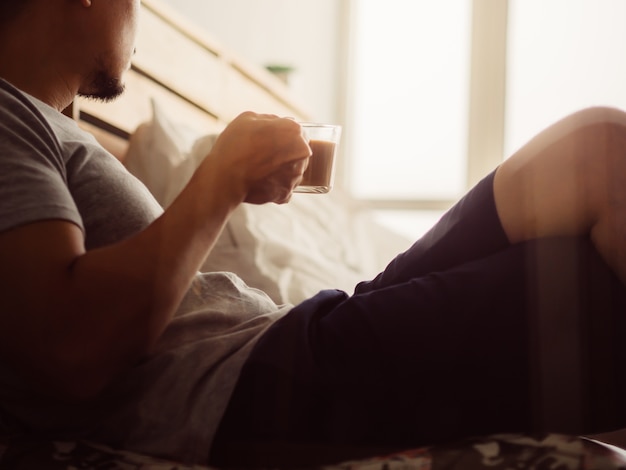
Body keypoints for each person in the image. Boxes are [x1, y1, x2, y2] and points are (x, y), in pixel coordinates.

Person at [0, 0, 625, 468]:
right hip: (251, 391)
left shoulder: (43, 126)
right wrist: (218, 177)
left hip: (289, 343)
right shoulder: (7, 116)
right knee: (595, 298)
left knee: (595, 148)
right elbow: (68, 349)